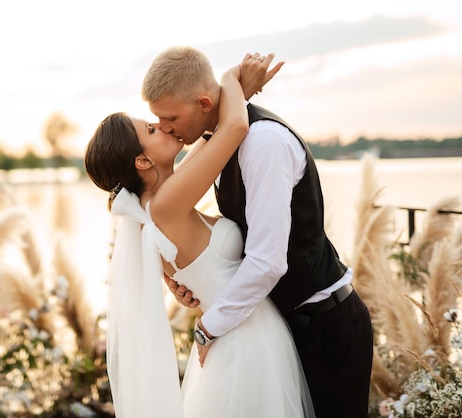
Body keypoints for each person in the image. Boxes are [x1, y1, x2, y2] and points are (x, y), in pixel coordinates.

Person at [142, 46, 374, 418]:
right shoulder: (222, 140)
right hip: (280, 330)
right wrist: (194, 280)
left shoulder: (263, 143)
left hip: (325, 330)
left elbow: (267, 261)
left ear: (203, 103)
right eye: (157, 120)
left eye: (169, 117)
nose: (165, 127)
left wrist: (209, 326)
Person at [85, 53, 314, 418]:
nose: (163, 126)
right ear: (142, 162)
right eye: (151, 129)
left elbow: (214, 134)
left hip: (238, 334)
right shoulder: (165, 206)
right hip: (244, 340)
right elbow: (234, 128)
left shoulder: (159, 202)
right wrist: (229, 77)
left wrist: (235, 93)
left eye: (162, 121)